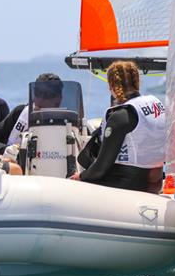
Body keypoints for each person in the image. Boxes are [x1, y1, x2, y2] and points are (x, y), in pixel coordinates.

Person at [70, 60, 165, 193]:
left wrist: (81, 176)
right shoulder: (155, 103)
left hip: (128, 184)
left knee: (72, 183)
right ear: (136, 82)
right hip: (155, 182)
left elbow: (101, 168)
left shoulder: (120, 116)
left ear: (111, 86)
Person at [0, 73, 62, 158]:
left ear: (58, 98)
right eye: (37, 93)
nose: (40, 99)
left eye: (46, 95)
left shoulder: (67, 122)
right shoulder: (20, 112)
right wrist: (6, 150)